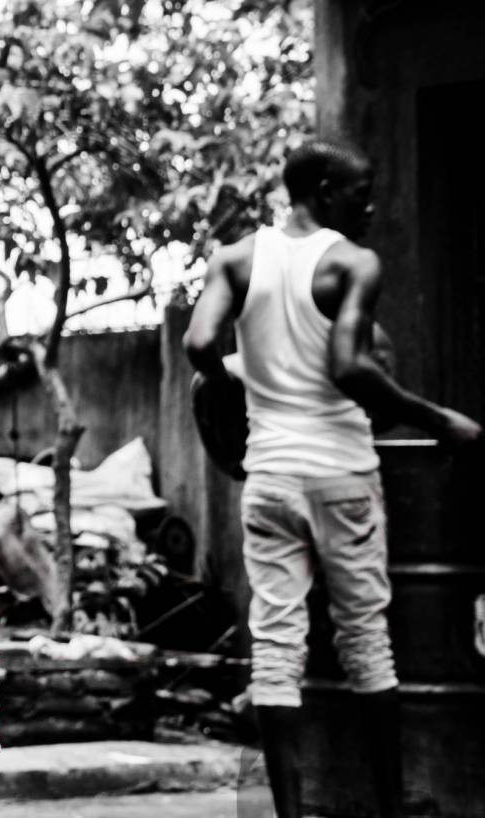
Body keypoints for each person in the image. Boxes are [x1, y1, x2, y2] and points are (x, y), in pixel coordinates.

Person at [184, 139, 482, 818]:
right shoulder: (352, 262)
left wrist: (236, 387)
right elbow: (352, 367)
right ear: (321, 187)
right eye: (360, 190)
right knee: (367, 643)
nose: (370, 204)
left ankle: (292, 814)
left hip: (270, 480)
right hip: (343, 476)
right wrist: (439, 420)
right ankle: (387, 806)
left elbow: (201, 345)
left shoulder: (236, 258)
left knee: (278, 647)